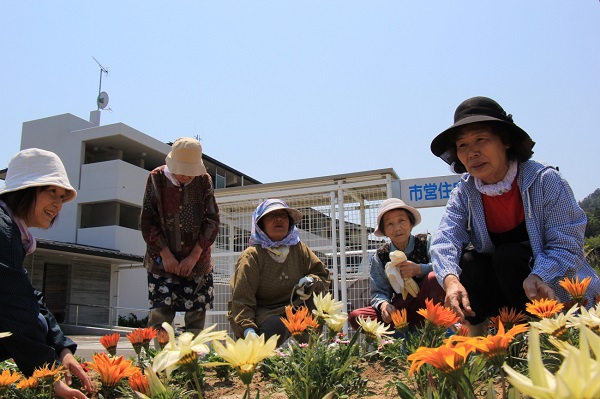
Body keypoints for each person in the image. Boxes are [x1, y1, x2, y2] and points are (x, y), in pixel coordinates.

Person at [429, 96, 600, 334]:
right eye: (462, 145)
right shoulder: (465, 192)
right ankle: (483, 344)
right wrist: (450, 280)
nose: (472, 153)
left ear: (505, 141)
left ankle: (545, 337)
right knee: (466, 263)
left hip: (550, 293)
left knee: (508, 257)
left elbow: (567, 243)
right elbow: (445, 239)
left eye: (481, 139)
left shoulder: (544, 181)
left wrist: (540, 274)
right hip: (504, 300)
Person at [0, 148, 94, 398]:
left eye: (62, 197)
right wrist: (49, 376)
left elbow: (27, 298)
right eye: (51, 191)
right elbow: (13, 307)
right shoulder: (2, 230)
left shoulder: (11, 230)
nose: (58, 203)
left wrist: (62, 350)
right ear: (25, 189)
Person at [141, 137, 220, 336]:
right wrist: (164, 253)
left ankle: (191, 362)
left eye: (190, 171)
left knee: (196, 316)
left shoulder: (204, 180)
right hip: (161, 260)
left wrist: (194, 256)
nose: (186, 176)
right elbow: (147, 220)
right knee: (160, 315)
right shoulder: (156, 178)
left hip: (197, 260)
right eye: (182, 170)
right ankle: (161, 362)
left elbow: (212, 219)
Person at [228, 199, 330, 346]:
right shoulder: (252, 256)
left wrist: (311, 281)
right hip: (265, 312)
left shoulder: (299, 249)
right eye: (272, 215)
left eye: (283, 215)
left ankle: (308, 363)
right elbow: (242, 298)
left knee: (311, 321)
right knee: (274, 328)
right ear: (260, 224)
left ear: (290, 223)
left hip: (297, 307)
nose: (279, 219)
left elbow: (323, 275)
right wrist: (247, 328)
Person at [348, 198, 445, 332]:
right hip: (400, 310)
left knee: (434, 278)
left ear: (411, 223)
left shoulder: (425, 241)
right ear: (385, 231)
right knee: (356, 317)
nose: (397, 228)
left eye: (402, 221)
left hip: (427, 305)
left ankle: (435, 327)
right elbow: (379, 291)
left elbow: (443, 267)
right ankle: (396, 338)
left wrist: (419, 269)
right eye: (390, 224)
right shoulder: (381, 255)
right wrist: (384, 305)